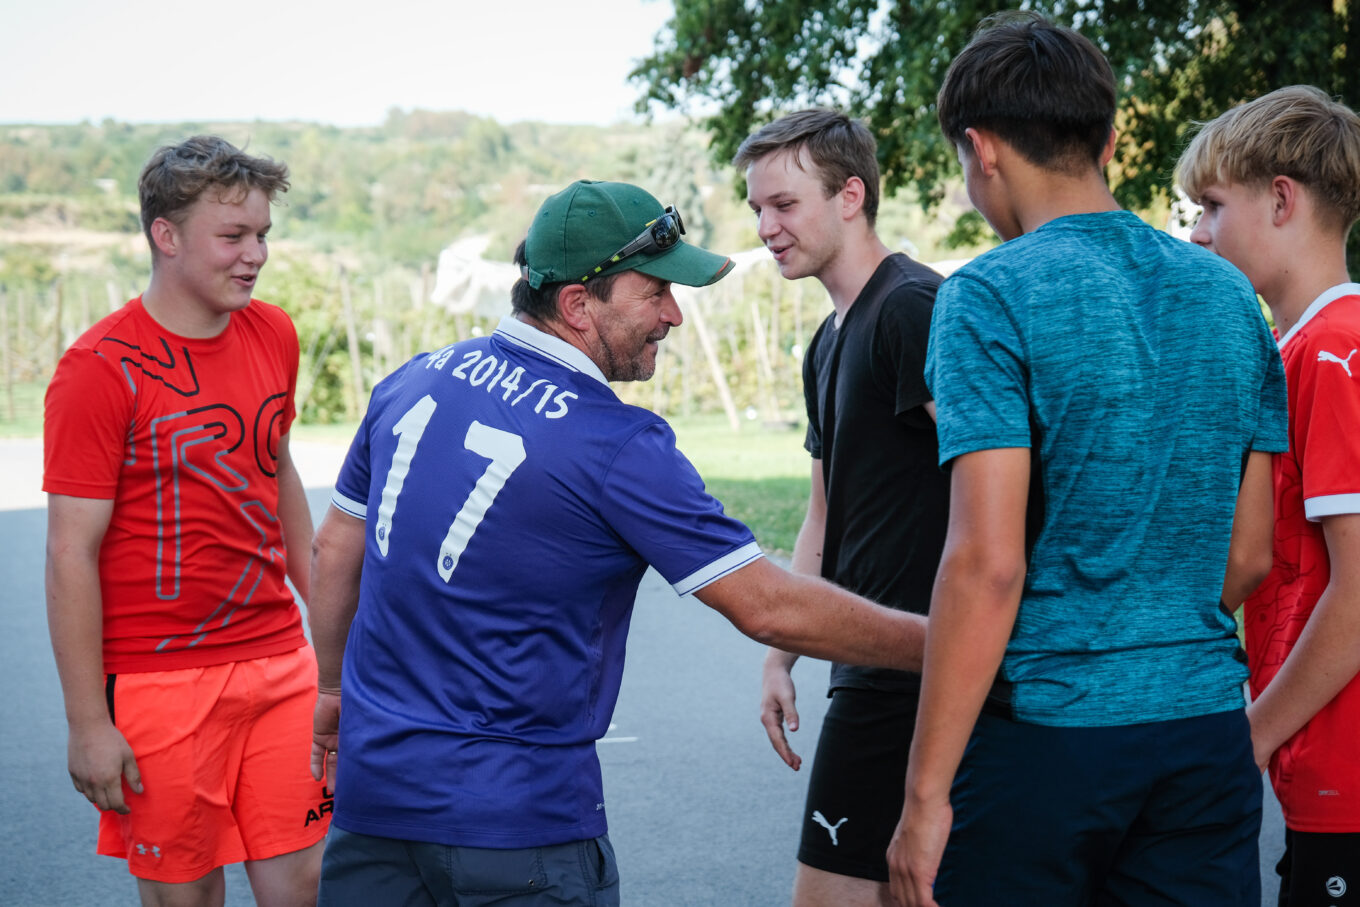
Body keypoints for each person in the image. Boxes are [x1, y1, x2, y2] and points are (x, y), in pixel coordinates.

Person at [306, 179, 932, 907]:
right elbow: (768, 606)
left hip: (373, 807)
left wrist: (327, 689)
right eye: (657, 292)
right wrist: (951, 644)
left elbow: (333, 550)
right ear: (577, 304)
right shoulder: (616, 442)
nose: (673, 314)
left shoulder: (408, 381)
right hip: (520, 829)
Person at [884, 13, 1289, 907]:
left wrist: (922, 799)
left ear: (980, 150)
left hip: (1048, 736)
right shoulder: (1228, 293)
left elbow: (986, 565)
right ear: (1106, 139)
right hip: (1204, 733)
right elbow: (1250, 554)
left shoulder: (987, 293)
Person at [43, 135, 327, 906]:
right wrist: (86, 724)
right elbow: (71, 549)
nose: (256, 254)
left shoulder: (274, 332)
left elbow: (277, 469)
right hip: (158, 681)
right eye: (233, 236)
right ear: (165, 236)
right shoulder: (99, 369)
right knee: (186, 892)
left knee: (301, 879)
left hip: (277, 660)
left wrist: (330, 622)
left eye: (263, 234)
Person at [734, 109, 947, 906]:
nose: (765, 226)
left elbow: (1005, 480)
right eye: (757, 208)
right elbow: (825, 513)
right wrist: (781, 652)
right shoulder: (826, 340)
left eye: (784, 205)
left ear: (850, 195)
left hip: (930, 666)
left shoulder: (913, 308)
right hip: (862, 660)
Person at [1178, 85, 1360, 907]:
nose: (1196, 231)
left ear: (1281, 199)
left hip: (1343, 774)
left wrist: (1249, 737)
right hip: (1316, 767)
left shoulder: (1332, 351)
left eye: (1212, 206)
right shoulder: (1294, 349)